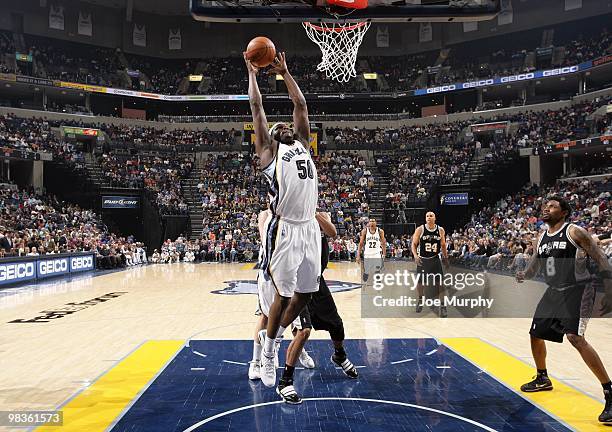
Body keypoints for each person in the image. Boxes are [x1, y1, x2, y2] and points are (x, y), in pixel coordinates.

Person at [245, 51, 321, 391]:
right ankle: (269, 352)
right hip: (286, 226)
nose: (286, 126)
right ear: (272, 139)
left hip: (309, 227)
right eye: (280, 128)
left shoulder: (303, 143)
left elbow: (301, 106)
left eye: (287, 125)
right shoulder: (269, 155)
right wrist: (253, 75)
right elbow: (257, 111)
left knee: (306, 293)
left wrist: (286, 73)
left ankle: (269, 342)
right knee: (281, 293)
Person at [516, 196, 612, 424]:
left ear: (564, 212)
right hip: (554, 291)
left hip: (577, 289)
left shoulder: (575, 232)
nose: (546, 209)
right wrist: (523, 275)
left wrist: (609, 291)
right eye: (545, 206)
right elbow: (534, 267)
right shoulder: (541, 238)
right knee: (535, 334)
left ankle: (609, 391)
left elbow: (600, 258)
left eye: (552, 206)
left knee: (575, 338)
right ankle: (542, 378)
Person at [281, 211, 359, 404]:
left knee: (337, 325)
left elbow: (332, 232)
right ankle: (285, 381)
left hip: (317, 280)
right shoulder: (293, 218)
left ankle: (339, 355)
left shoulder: (318, 216)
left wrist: (314, 214)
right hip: (297, 283)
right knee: (304, 331)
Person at [411, 211, 448, 317]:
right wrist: (415, 255)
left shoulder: (440, 230)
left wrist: (445, 258)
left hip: (435, 259)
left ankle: (443, 306)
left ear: (435, 218)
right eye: (427, 216)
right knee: (420, 283)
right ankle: (420, 299)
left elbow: (443, 245)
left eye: (431, 216)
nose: (429, 217)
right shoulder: (420, 229)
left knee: (440, 283)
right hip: (423, 259)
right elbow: (413, 244)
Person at [357, 218, 386, 283]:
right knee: (366, 271)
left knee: (377, 269)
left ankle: (378, 285)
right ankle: (364, 284)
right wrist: (358, 255)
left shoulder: (380, 231)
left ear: (376, 223)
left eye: (373, 221)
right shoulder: (365, 231)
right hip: (367, 253)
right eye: (370, 221)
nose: (372, 222)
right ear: (368, 223)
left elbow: (383, 243)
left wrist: (384, 253)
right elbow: (361, 243)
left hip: (377, 253)